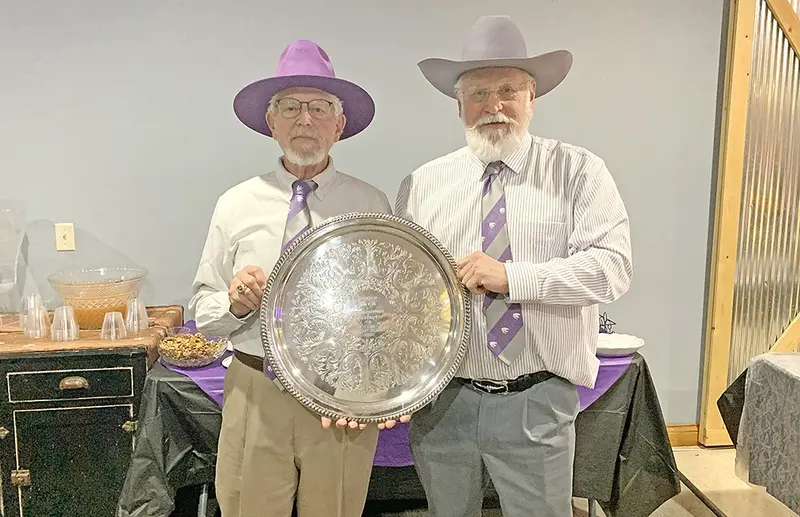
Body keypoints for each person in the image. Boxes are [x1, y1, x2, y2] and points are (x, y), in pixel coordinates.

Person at [395, 15, 633, 517]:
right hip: (443, 404)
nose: (493, 106)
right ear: (458, 105)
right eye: (478, 93)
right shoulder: (421, 185)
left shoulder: (579, 171)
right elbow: (405, 293)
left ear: (532, 97)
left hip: (537, 400)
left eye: (507, 89)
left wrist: (513, 277)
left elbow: (612, 268)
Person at [188, 39, 393, 517]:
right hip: (255, 388)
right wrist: (236, 303)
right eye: (291, 107)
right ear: (270, 121)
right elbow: (202, 311)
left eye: (320, 107)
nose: (305, 119)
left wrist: (372, 385)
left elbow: (389, 313)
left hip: (340, 395)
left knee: (336, 509)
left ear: (339, 125)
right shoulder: (235, 203)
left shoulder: (371, 206)